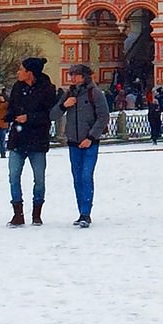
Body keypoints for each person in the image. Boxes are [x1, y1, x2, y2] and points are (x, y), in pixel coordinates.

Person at [5, 56, 58, 226]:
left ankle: (37, 212)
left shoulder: (46, 89)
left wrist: (29, 118)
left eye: (21, 69)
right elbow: (11, 108)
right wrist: (9, 116)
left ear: (30, 73)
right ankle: (17, 213)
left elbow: (49, 115)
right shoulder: (17, 88)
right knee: (14, 176)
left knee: (39, 178)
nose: (18, 73)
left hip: (37, 140)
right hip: (18, 139)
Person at [54, 63, 109, 227]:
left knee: (86, 176)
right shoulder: (69, 94)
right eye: (71, 75)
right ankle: (81, 212)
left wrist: (91, 137)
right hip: (73, 142)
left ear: (84, 76)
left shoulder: (95, 93)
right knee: (77, 178)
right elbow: (53, 114)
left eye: (76, 75)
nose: (72, 78)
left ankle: (86, 212)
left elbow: (103, 117)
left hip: (89, 142)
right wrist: (64, 105)